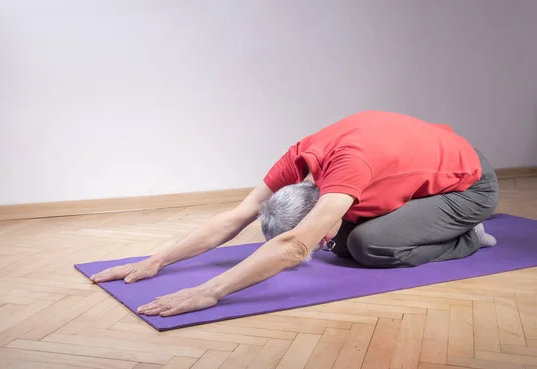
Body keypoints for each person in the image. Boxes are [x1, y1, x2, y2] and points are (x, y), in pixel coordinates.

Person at [90, 110, 499, 317]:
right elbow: (240, 214)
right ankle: (427, 220)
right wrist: (156, 261)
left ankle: (468, 235)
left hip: (470, 182)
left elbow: (294, 246)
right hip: (429, 160)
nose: (319, 243)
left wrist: (210, 291)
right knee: (342, 241)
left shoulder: (349, 172)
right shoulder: (300, 159)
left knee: (364, 245)